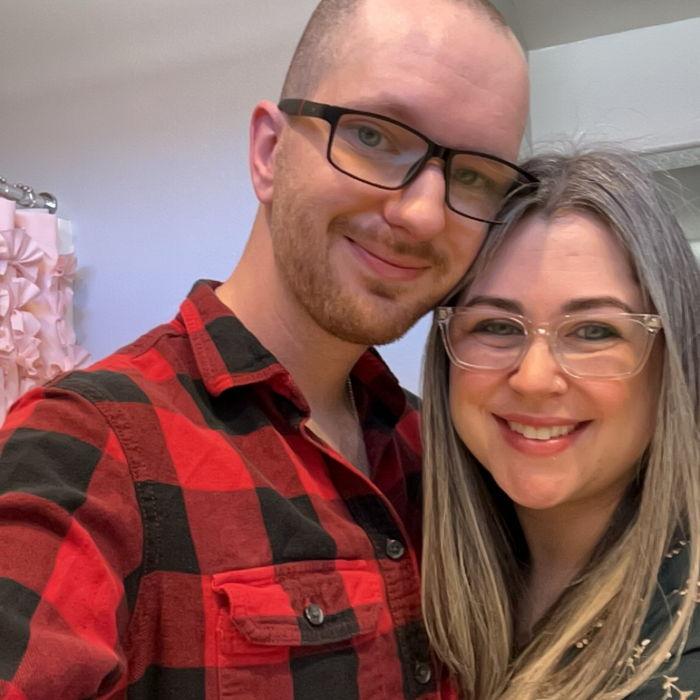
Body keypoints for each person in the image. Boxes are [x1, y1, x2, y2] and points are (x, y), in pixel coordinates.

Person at [0, 0, 531, 697]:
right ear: (269, 153)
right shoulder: (86, 446)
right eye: (375, 136)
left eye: (476, 176)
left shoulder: (440, 447)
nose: (424, 214)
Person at [420, 148, 700, 699]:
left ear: (674, 362)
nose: (533, 378)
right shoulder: (409, 563)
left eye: (594, 331)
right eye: (497, 326)